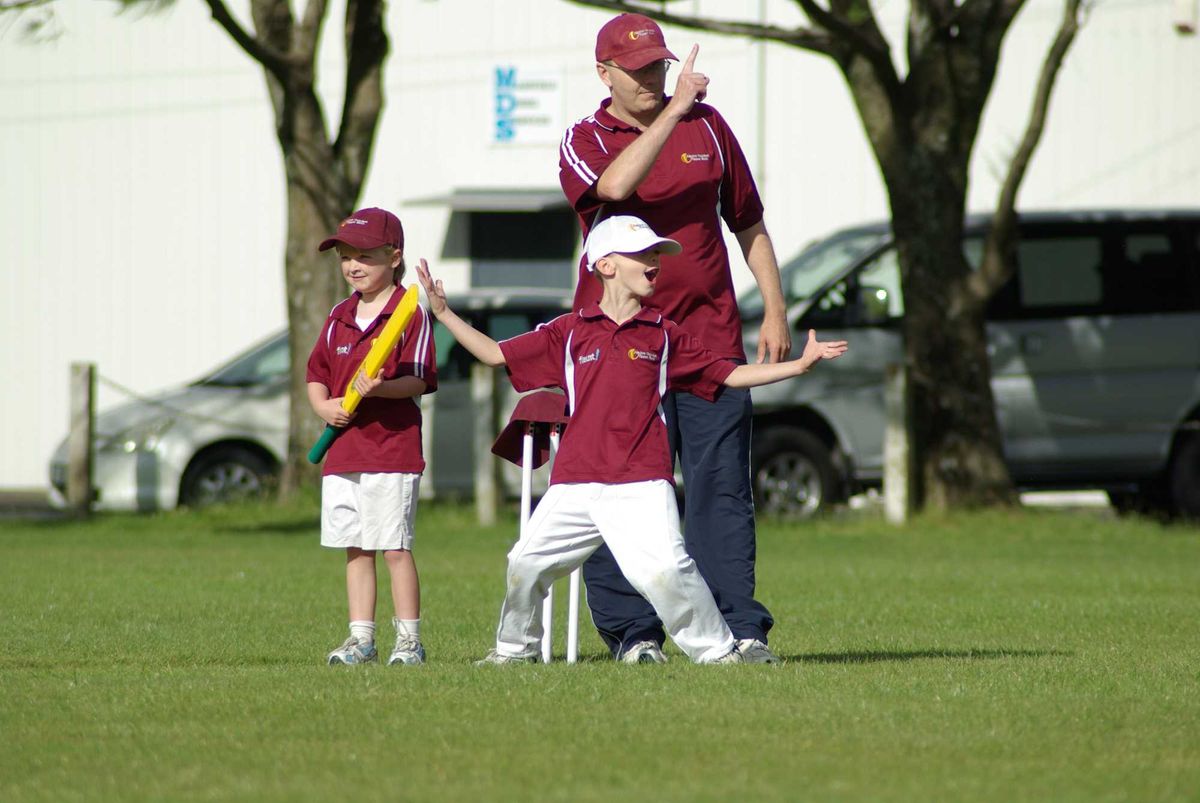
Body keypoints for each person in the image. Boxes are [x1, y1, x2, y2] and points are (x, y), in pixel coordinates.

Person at [415, 215, 846, 665]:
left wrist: (797, 366)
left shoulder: (663, 334)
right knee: (525, 563)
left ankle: (719, 652)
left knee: (666, 570)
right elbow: (495, 354)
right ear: (604, 265)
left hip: (642, 483)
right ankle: (513, 650)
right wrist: (443, 313)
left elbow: (729, 373)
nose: (656, 262)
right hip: (575, 484)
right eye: (643, 254)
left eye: (657, 254)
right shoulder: (568, 332)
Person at [558, 13, 793, 663]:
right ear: (603, 74)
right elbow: (614, 187)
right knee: (621, 490)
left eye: (658, 67)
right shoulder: (585, 138)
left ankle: (737, 630)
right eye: (637, 71)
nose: (652, 79)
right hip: (620, 348)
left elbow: (747, 222)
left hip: (710, 336)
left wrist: (774, 308)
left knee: (721, 486)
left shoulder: (710, 128)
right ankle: (635, 635)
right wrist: (672, 113)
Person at [306, 207, 437, 666]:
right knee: (356, 547)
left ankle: (409, 641)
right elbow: (317, 373)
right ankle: (361, 639)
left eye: (365, 255)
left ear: (394, 256)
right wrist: (324, 407)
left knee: (394, 547)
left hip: (391, 451)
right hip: (344, 454)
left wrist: (381, 388)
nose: (353, 265)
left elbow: (419, 380)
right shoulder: (339, 315)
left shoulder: (409, 313)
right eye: (346, 256)